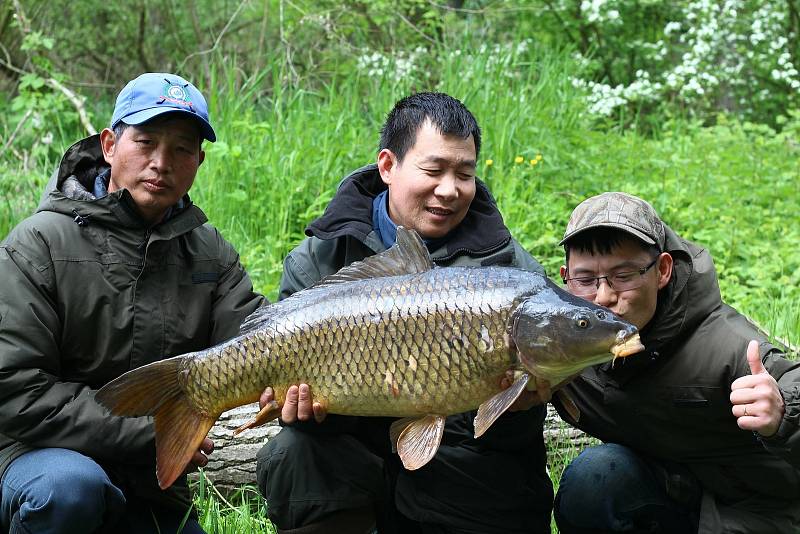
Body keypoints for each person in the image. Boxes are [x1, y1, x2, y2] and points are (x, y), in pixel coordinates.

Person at [255, 92, 554, 534]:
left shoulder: (510, 270)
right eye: (433, 170)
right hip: (354, 457)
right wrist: (300, 411)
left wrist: (520, 408)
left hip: (460, 472)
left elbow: (520, 435)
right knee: (294, 451)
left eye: (465, 174)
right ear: (388, 166)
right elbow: (293, 395)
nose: (450, 189)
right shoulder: (320, 258)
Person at [0, 72, 266, 534]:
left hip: (148, 480)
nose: (161, 162)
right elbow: (16, 388)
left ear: (199, 161)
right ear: (109, 145)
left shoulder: (208, 252)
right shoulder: (37, 245)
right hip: (37, 458)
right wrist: (151, 430)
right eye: (145, 142)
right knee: (70, 490)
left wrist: (303, 380)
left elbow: (259, 341)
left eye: (182, 149)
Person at [552, 192, 800, 533]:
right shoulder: (563, 340)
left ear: (663, 270)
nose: (604, 296)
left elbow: (790, 382)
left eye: (623, 275)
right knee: (591, 480)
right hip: (669, 491)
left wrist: (782, 412)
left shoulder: (723, 343)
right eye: (585, 279)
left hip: (756, 510)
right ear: (566, 276)